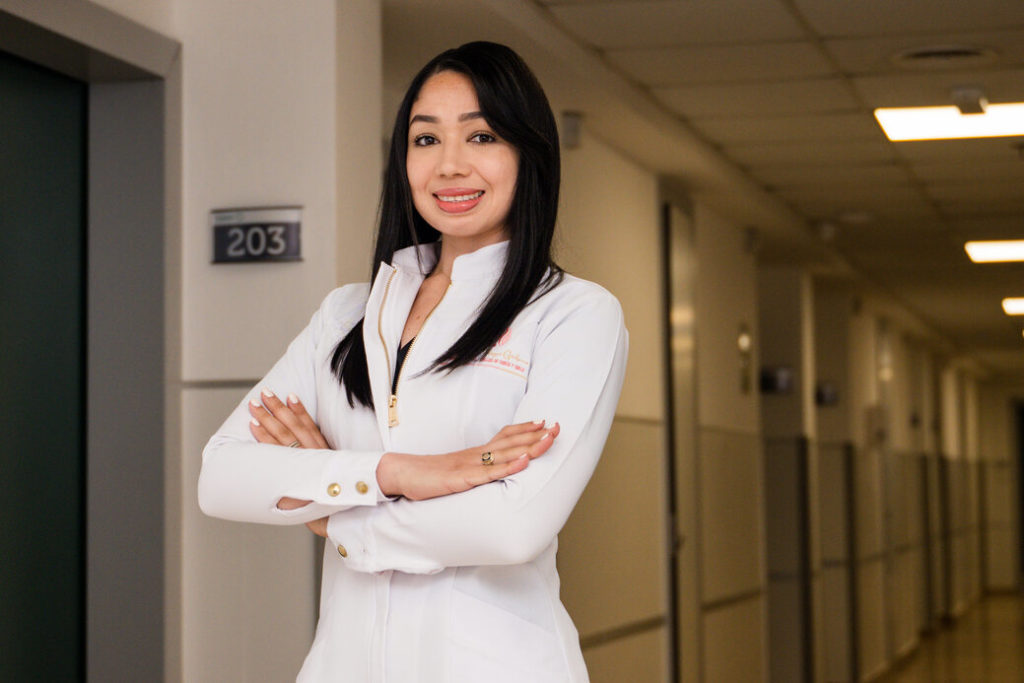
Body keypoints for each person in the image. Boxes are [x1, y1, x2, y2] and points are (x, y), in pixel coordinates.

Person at [198, 41, 628, 682]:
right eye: (426, 140)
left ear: (528, 153)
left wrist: (332, 515)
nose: (449, 165)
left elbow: (512, 527)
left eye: (481, 136)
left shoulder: (571, 314)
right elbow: (222, 477)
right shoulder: (346, 315)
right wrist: (402, 473)